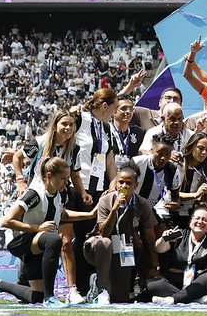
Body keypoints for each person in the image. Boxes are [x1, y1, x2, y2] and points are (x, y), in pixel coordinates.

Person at [0, 158, 94, 308]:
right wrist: (38, 228)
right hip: (19, 241)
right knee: (55, 239)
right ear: (49, 176)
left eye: (67, 178)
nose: (66, 182)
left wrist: (90, 215)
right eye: (63, 178)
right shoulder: (34, 194)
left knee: (36, 297)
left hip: (37, 242)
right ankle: (49, 298)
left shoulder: (61, 194)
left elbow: (63, 215)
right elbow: (6, 221)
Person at [83, 163, 160, 304]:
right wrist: (114, 209)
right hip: (97, 247)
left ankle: (98, 281)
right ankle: (101, 290)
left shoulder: (141, 204)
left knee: (119, 299)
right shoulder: (106, 200)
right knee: (105, 243)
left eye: (128, 183)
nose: (123, 186)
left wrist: (155, 263)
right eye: (121, 182)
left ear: (136, 185)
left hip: (122, 249)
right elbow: (104, 233)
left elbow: (150, 236)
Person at [70, 88, 119, 298]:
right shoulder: (80, 120)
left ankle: (92, 284)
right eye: (114, 108)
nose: (115, 113)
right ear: (105, 106)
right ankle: (79, 287)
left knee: (93, 237)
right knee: (79, 238)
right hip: (77, 187)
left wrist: (114, 182)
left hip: (98, 190)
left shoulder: (107, 127)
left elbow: (109, 161)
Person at [148, 206, 207, 305]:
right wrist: (163, 239)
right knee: (152, 285)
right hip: (175, 280)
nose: (200, 222)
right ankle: (192, 299)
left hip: (197, 282)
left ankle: (173, 300)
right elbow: (158, 248)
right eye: (197, 218)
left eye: (204, 220)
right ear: (190, 221)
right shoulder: (179, 234)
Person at [129, 132, 182, 227]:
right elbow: (119, 183)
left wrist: (175, 204)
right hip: (130, 208)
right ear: (152, 150)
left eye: (167, 154)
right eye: (160, 153)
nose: (163, 158)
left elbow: (176, 197)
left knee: (165, 235)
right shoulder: (137, 163)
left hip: (150, 210)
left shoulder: (173, 170)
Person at [177, 133, 207, 227]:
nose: (204, 152)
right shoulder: (178, 164)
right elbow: (171, 193)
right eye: (201, 148)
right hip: (170, 212)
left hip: (191, 214)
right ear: (192, 146)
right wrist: (195, 195)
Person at [109, 95, 145, 168]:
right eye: (124, 108)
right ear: (114, 111)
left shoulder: (139, 132)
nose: (128, 112)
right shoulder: (106, 130)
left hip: (130, 176)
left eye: (131, 109)